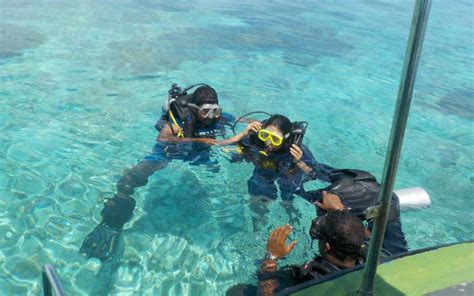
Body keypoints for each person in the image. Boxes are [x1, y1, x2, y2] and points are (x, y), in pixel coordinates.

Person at [80, 83, 235, 261]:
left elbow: (238, 121)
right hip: (169, 151)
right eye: (206, 111)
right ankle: (110, 225)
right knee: (130, 179)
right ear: (194, 108)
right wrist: (201, 140)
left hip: (198, 154)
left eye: (215, 111)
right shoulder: (178, 120)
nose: (211, 117)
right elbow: (162, 138)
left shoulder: (218, 118)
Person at [218, 114, 335, 228]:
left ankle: (291, 212)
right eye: (265, 135)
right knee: (257, 189)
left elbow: (313, 174)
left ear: (285, 138)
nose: (268, 142)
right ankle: (259, 220)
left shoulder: (296, 151)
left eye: (275, 139)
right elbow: (219, 145)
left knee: (289, 192)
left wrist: (299, 162)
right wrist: (243, 133)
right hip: (265, 170)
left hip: (288, 172)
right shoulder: (256, 141)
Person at [257, 191, 366, 295]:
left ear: (327, 247)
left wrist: (270, 257)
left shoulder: (310, 279)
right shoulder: (373, 257)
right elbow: (357, 232)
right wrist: (340, 212)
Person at [301, 168, 409, 256]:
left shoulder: (314, 276)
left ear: (327, 247)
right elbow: (397, 254)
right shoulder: (386, 261)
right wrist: (339, 210)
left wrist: (339, 211)